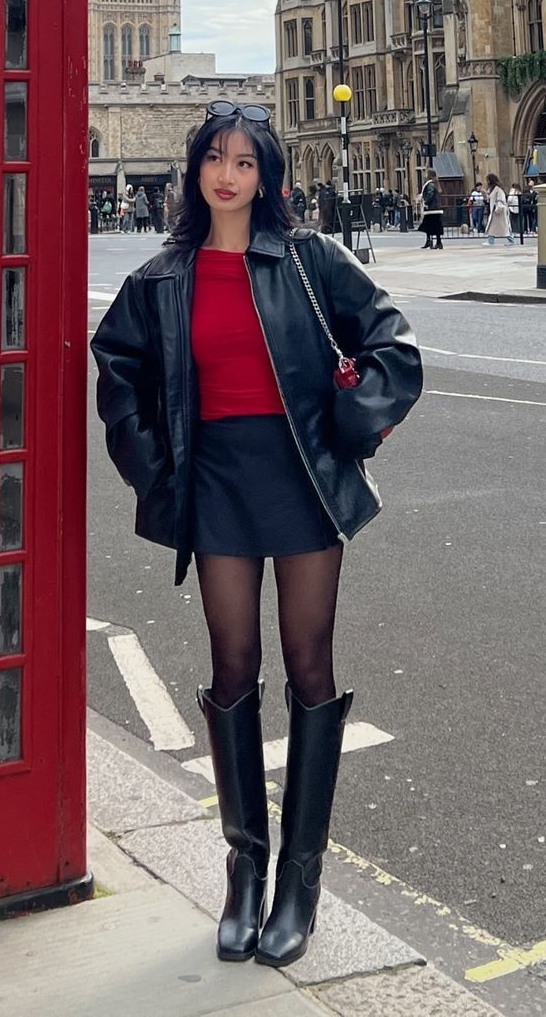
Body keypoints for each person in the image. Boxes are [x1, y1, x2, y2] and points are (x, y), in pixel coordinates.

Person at [92, 101, 423, 969]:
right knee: (233, 668)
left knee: (310, 666)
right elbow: (118, 373)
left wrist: (355, 421)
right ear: (195, 171)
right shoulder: (164, 277)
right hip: (217, 484)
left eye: (245, 161)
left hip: (304, 478)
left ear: (266, 177)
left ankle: (300, 884)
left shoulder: (312, 260)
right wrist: (154, 472)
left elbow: (394, 339)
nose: (228, 174)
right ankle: (245, 873)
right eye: (214, 159)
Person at [484, 173, 514, 245]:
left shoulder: (498, 189)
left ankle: (511, 239)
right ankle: (490, 240)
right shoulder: (493, 189)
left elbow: (501, 199)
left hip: (499, 210)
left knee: (503, 226)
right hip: (495, 210)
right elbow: (490, 198)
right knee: (493, 226)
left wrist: (497, 207)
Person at [418, 175, 443, 249]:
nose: (424, 176)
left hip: (431, 209)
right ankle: (433, 241)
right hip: (435, 209)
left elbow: (430, 194)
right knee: (432, 226)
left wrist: (425, 201)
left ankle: (435, 242)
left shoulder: (430, 184)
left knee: (430, 226)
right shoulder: (434, 184)